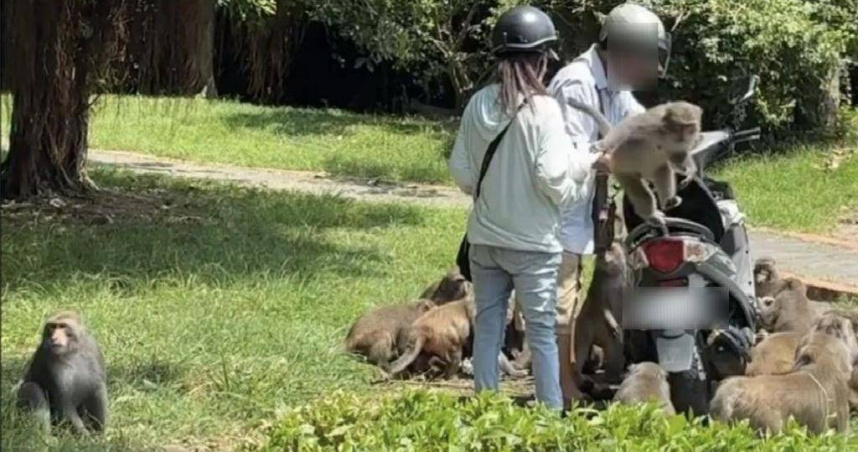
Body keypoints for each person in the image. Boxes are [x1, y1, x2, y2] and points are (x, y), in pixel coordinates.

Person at [448, 5, 597, 410]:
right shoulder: (544, 110)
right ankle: (550, 414)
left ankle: (485, 407)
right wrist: (584, 167)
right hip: (534, 246)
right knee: (543, 332)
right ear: (542, 59)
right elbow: (554, 180)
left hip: (484, 240)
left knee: (490, 327)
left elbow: (461, 172)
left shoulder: (478, 103)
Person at [546, 2, 670, 402]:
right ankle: (561, 387)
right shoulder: (577, 84)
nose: (648, 70)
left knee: (573, 296)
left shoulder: (613, 85)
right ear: (623, 52)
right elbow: (571, 156)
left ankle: (567, 375)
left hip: (586, 212)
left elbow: (637, 123)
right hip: (560, 211)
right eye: (647, 59)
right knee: (559, 303)